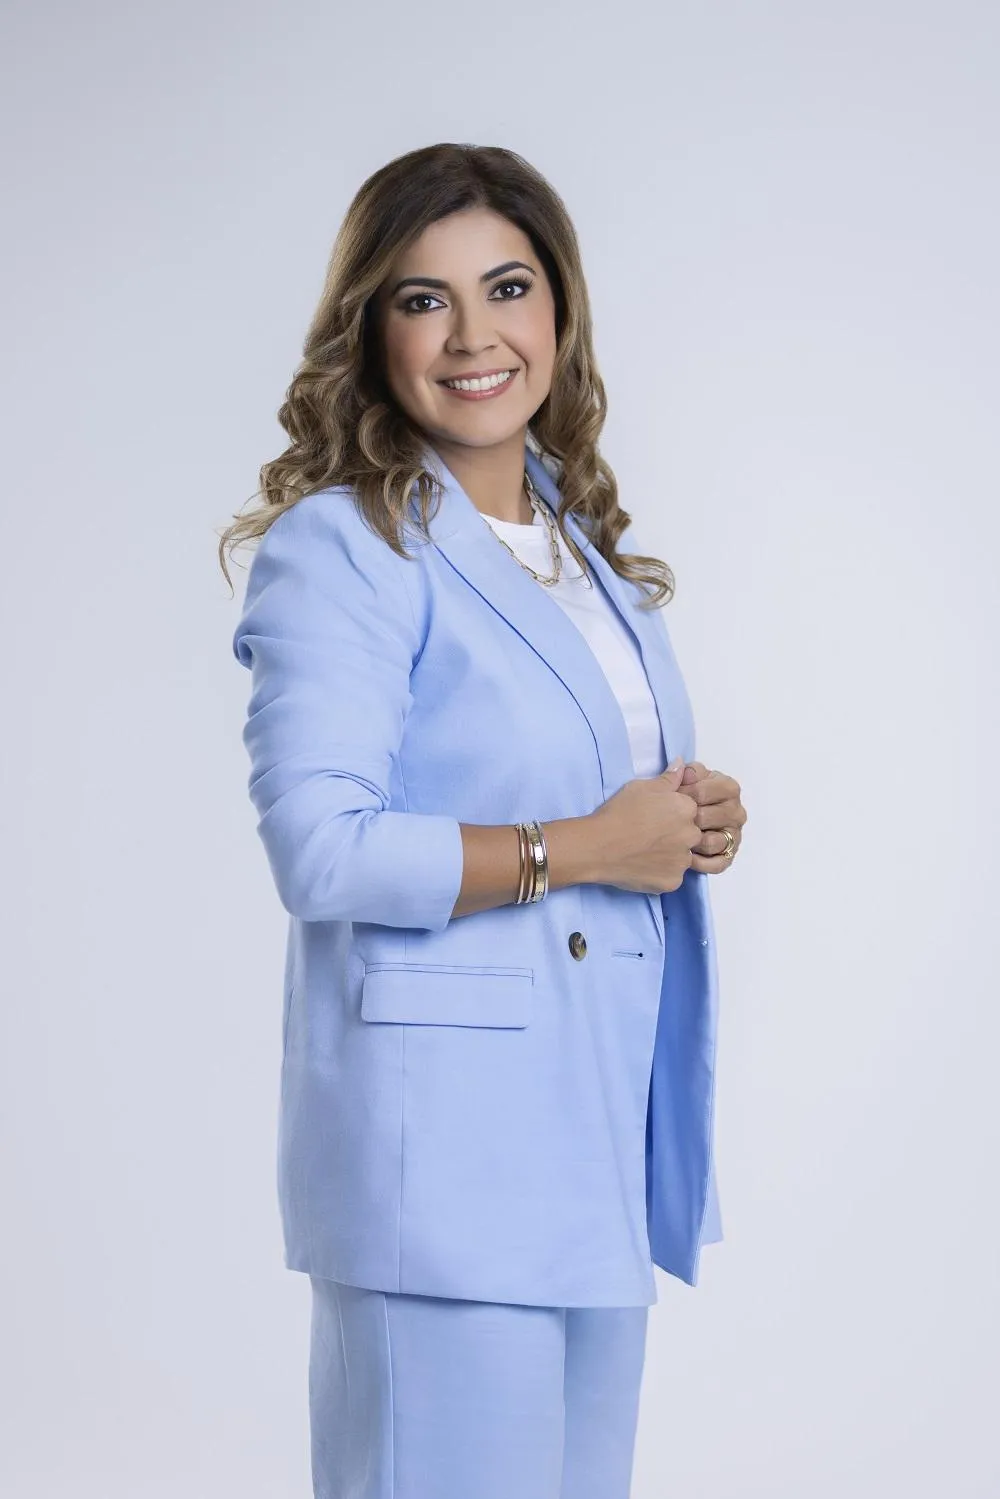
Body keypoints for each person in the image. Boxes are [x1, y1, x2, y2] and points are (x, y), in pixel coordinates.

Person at [220, 142, 747, 1499]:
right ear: (370, 330)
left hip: (591, 1133)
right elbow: (321, 848)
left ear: (559, 309)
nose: (473, 336)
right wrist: (587, 847)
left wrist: (688, 818)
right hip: (442, 1167)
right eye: (423, 299)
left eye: (507, 288)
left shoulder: (578, 547)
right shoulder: (341, 545)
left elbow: (590, 782)